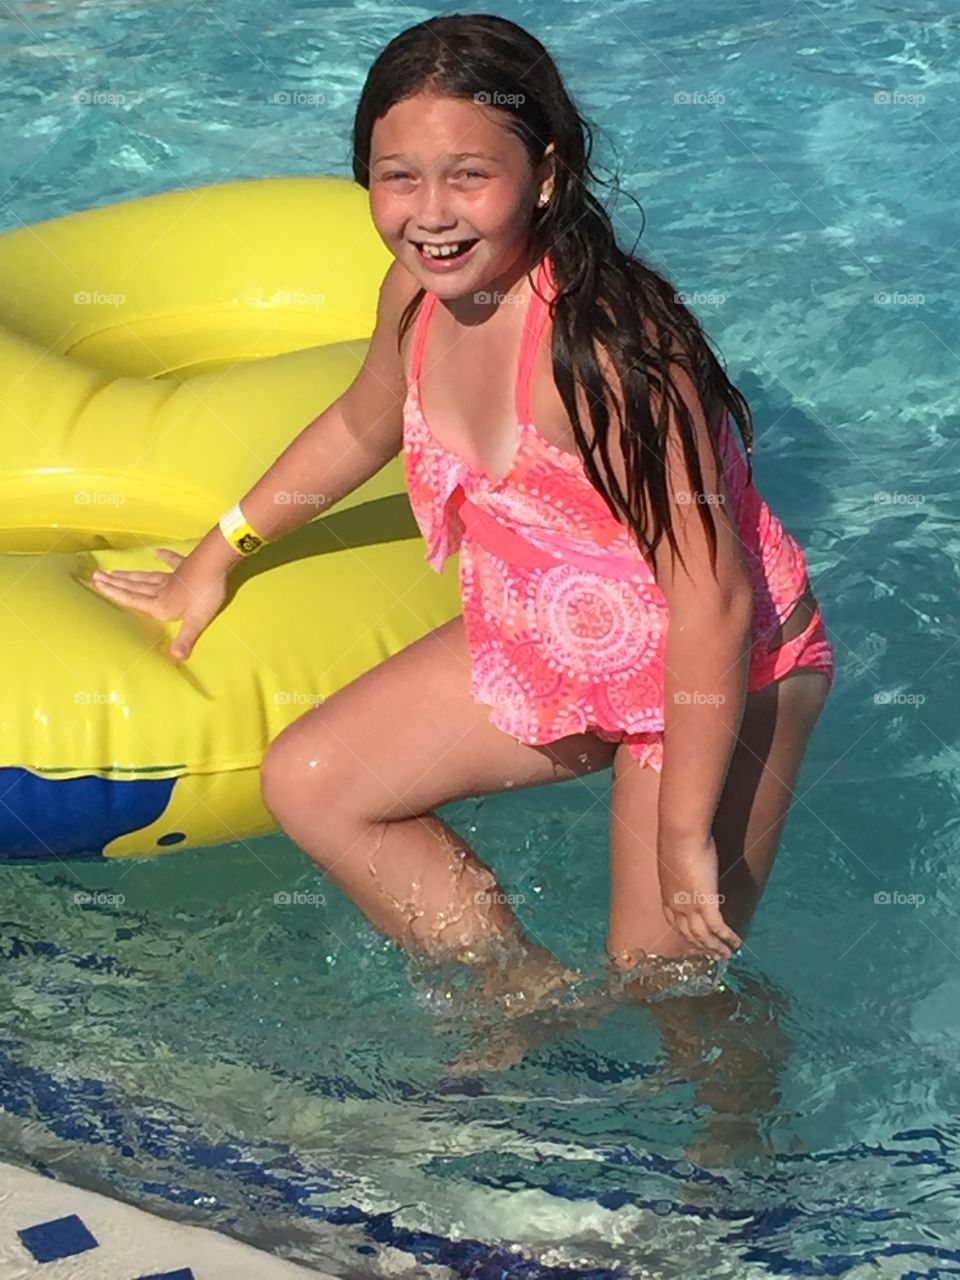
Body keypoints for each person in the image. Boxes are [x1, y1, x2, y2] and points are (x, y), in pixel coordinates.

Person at [91, 13, 834, 1019]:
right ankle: (523, 998)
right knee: (315, 780)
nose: (430, 214)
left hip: (718, 673)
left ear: (546, 172)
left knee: (666, 981)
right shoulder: (417, 297)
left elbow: (712, 598)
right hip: (552, 637)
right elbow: (360, 425)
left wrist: (682, 828)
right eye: (399, 176)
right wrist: (219, 551)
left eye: (468, 176)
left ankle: (728, 1157)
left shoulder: (610, 354)